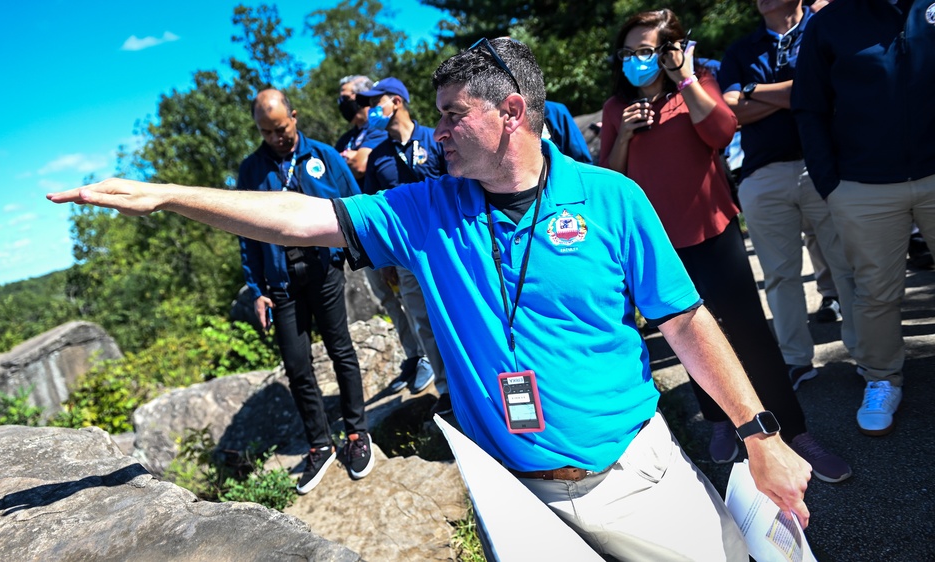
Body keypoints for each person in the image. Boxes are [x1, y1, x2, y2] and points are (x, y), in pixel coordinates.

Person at [47, 38, 812, 561]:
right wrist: (168, 196)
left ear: (511, 113)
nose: (432, 130)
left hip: (631, 472)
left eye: (452, 115)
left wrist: (761, 436)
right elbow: (297, 219)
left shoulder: (610, 199)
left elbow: (685, 322)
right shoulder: (426, 208)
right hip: (516, 498)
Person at [598, 9, 850, 483]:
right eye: (629, 53)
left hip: (713, 231)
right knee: (689, 340)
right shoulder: (616, 110)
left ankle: (795, 433)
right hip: (660, 249)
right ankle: (719, 421)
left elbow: (722, 132)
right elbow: (612, 179)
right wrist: (626, 134)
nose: (637, 61)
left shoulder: (699, 84)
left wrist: (686, 78)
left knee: (751, 336)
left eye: (647, 50)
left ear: (671, 49)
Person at [792, 0, 935, 436]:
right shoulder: (832, 22)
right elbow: (809, 106)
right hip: (862, 186)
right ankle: (881, 378)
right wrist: (830, 184)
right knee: (874, 292)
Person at [236, 89, 373, 495]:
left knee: (340, 350)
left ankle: (357, 433)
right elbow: (245, 234)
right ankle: (320, 443)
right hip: (281, 282)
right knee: (297, 366)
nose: (276, 137)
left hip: (323, 271)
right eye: (266, 132)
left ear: (294, 117)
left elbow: (356, 204)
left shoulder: (325, 157)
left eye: (280, 128)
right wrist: (256, 289)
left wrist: (357, 253)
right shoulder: (251, 170)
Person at [717, 0, 857, 393]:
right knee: (780, 276)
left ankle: (867, 355)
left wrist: (753, 90)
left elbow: (825, 89)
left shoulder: (826, 26)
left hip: (826, 168)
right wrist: (797, 94)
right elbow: (731, 110)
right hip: (762, 174)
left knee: (847, 267)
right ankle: (796, 360)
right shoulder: (740, 49)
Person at [358, 77, 451, 413]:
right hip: (404, 254)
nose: (369, 109)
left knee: (456, 313)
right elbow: (373, 210)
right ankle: (445, 390)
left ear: (396, 101)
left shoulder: (436, 138)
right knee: (421, 320)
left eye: (375, 101)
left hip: (444, 247)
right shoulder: (378, 156)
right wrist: (381, 261)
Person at [335, 75, 428, 391]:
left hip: (412, 235)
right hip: (372, 232)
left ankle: (430, 359)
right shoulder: (349, 139)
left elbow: (360, 166)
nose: (353, 104)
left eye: (355, 97)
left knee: (417, 299)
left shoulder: (380, 133)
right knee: (389, 298)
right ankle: (414, 356)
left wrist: (352, 160)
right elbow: (348, 171)